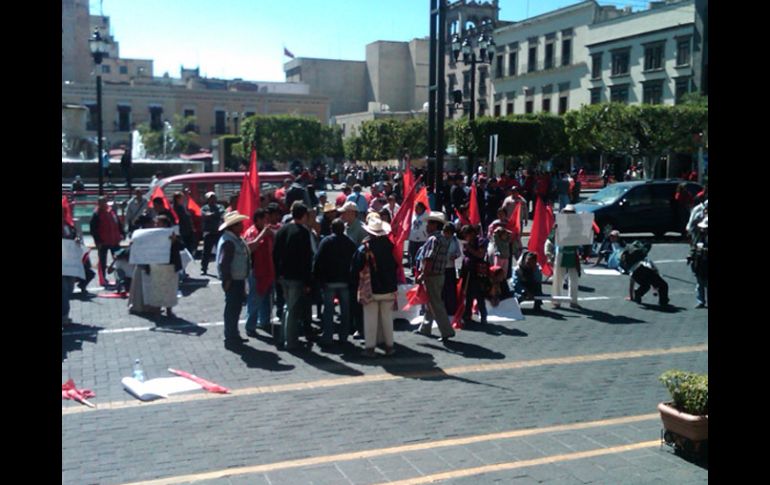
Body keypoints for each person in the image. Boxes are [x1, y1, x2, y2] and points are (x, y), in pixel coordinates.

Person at [352, 214, 398, 356]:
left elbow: (356, 267)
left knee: (370, 319)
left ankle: (370, 348)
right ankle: (389, 346)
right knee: (387, 319)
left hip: (371, 288)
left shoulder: (364, 248)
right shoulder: (390, 246)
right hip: (389, 287)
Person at [273, 203, 314, 351]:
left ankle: (283, 337)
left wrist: (277, 273)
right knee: (292, 309)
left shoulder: (282, 230)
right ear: (303, 215)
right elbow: (306, 258)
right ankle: (290, 341)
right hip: (296, 276)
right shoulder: (302, 233)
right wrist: (308, 280)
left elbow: (275, 253)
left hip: (283, 275)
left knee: (286, 306)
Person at [313, 218, 357, 346]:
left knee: (328, 310)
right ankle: (343, 336)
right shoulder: (350, 243)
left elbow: (318, 260)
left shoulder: (326, 242)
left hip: (329, 281)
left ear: (331, 228)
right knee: (345, 310)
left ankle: (328, 336)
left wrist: (317, 278)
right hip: (345, 281)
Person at [415, 212, 456, 342]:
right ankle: (425, 327)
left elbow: (429, 258)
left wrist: (422, 274)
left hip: (431, 275)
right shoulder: (444, 238)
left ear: (435, 225)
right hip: (440, 275)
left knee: (436, 304)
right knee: (431, 302)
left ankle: (446, 331)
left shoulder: (433, 239)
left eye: (429, 223)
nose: (427, 226)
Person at [135, 215, 184, 318]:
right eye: (155, 223)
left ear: (165, 224)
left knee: (169, 288)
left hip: (170, 265)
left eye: (158, 223)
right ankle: (157, 308)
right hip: (156, 265)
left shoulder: (172, 233)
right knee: (156, 288)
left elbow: (181, 247)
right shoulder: (151, 234)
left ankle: (169, 309)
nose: (156, 225)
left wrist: (174, 240)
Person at [216, 211, 252, 346]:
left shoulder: (234, 239)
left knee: (235, 308)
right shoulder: (229, 242)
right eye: (239, 224)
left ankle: (233, 334)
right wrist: (228, 280)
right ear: (233, 226)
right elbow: (224, 263)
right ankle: (231, 336)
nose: (242, 226)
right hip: (233, 281)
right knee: (232, 309)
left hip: (238, 279)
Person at [244, 208, 275, 336]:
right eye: (264, 219)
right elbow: (250, 247)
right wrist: (262, 234)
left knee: (267, 298)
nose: (266, 222)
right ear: (257, 219)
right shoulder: (251, 231)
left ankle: (264, 321)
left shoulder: (268, 231)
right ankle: (250, 325)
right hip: (256, 270)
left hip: (268, 269)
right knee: (255, 298)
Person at [545, 204, 581, 309]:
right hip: (561, 252)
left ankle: (573, 301)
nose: (569, 215)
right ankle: (556, 301)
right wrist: (548, 254)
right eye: (567, 212)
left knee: (574, 279)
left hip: (573, 254)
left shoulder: (579, 225)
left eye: (571, 213)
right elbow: (549, 240)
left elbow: (584, 240)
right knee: (558, 279)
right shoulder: (558, 225)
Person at [458, 224, 490, 326]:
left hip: (478, 271)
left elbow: (480, 254)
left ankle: (483, 316)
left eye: (466, 234)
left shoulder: (481, 241)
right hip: (467, 271)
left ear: (471, 233)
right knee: (468, 294)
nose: (465, 237)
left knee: (479, 294)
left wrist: (469, 248)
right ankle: (467, 314)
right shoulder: (467, 242)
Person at [89, 196, 125, 285]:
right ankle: (103, 279)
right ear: (98, 203)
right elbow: (93, 229)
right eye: (101, 202)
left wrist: (122, 233)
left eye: (104, 202)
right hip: (103, 242)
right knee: (102, 262)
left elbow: (118, 223)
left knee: (119, 260)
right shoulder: (96, 214)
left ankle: (120, 278)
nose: (103, 204)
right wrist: (98, 241)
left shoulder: (111, 211)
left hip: (114, 240)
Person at [62, 204, 79, 325]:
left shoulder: (68, 225)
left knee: (69, 289)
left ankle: (65, 315)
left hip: (70, 262)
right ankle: (64, 316)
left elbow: (73, 237)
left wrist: (76, 240)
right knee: (64, 290)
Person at [200, 192, 225, 275]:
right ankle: (204, 268)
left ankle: (222, 268)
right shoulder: (204, 208)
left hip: (219, 232)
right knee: (206, 252)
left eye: (214, 197)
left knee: (221, 251)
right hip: (209, 232)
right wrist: (213, 215)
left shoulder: (220, 206)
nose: (213, 199)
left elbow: (221, 213)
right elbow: (204, 215)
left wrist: (211, 215)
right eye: (210, 198)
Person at [441, 223, 462, 317]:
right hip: (441, 267)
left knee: (451, 289)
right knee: (442, 289)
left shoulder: (454, 240)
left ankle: (451, 308)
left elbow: (459, 252)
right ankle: (442, 308)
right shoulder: (439, 239)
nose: (447, 234)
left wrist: (455, 256)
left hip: (451, 267)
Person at [688, 216, 708, 308]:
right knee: (700, 283)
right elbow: (693, 247)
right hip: (699, 263)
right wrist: (690, 256)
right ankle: (701, 301)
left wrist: (705, 250)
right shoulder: (698, 236)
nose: (703, 230)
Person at [408, 201, 429, 272]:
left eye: (418, 208)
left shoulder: (427, 216)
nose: (416, 209)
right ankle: (413, 268)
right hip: (413, 238)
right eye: (415, 207)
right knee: (412, 254)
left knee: (421, 255)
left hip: (422, 239)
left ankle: (419, 269)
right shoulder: (413, 215)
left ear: (422, 208)